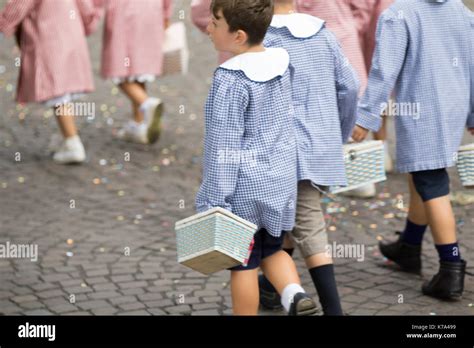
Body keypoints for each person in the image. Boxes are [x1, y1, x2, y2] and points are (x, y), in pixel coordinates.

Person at [196, 0, 318, 315]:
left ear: (237, 36)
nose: (208, 27)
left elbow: (223, 146)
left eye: (215, 22)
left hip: (244, 190)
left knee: (243, 263)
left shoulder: (230, 79)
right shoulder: (280, 64)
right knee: (273, 249)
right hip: (279, 181)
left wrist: (214, 203)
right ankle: (294, 295)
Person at [352, 0, 474, 300]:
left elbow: (383, 72)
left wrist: (365, 117)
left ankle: (450, 267)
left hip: (422, 113)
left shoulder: (399, 14)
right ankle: (409, 246)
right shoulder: (462, 12)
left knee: (432, 183)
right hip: (452, 108)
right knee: (421, 173)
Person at [258, 0, 359, 315]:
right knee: (291, 220)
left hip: (285, 148)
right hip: (322, 146)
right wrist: (337, 133)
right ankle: (270, 287)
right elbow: (350, 86)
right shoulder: (321, 33)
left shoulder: (264, 39)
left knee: (308, 224)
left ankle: (333, 309)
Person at [0, 0, 100, 164]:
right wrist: (89, 22)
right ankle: (66, 135)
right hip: (70, 31)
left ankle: (72, 141)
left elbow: (20, 4)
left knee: (57, 92)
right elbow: (85, 4)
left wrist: (4, 25)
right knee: (63, 90)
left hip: (47, 34)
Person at [94, 0, 172, 145]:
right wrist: (166, 13)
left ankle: (147, 104)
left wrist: (91, 17)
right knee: (138, 69)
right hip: (152, 11)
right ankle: (139, 123)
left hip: (123, 13)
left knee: (118, 71)